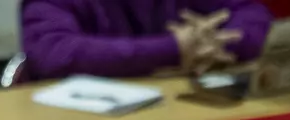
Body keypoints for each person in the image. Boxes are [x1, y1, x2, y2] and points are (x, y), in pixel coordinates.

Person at [18, 0, 272, 81]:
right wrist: (173, 49)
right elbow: (53, 53)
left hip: (176, 117)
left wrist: (215, 43)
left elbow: (252, 14)